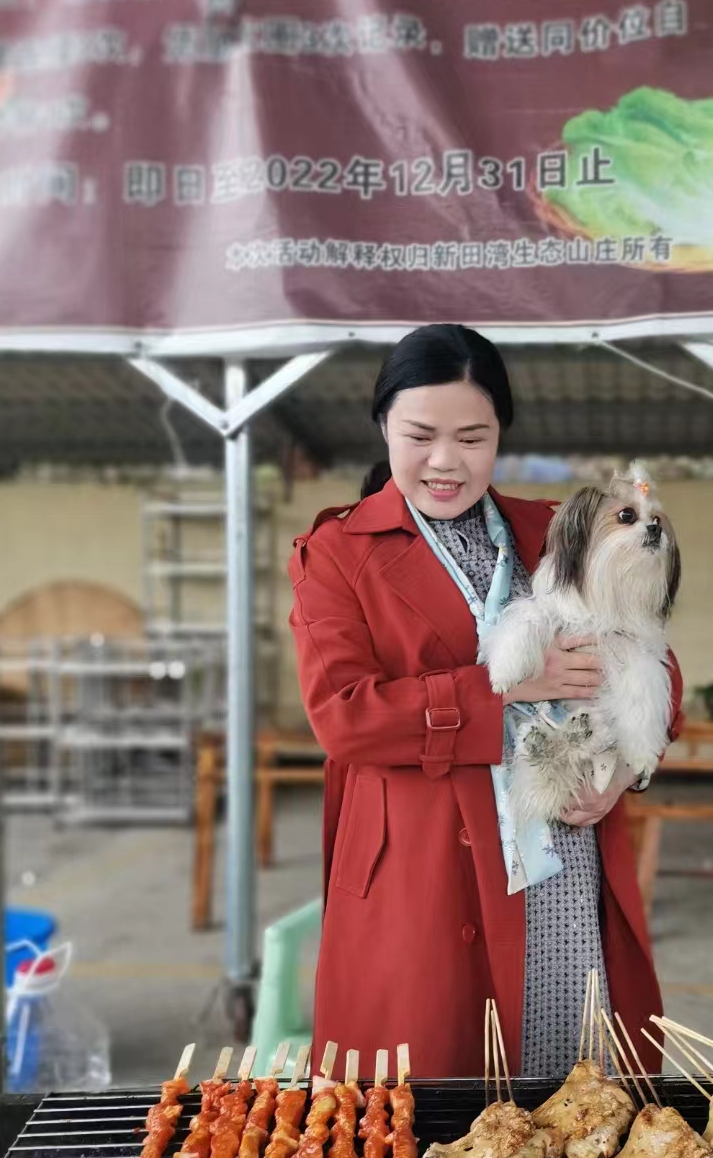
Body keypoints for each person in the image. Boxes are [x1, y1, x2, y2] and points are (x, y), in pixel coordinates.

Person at [289, 324, 683, 1077]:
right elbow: (345, 716)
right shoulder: (338, 553)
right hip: (422, 867)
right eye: (420, 435)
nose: (446, 461)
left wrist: (622, 775)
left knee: (578, 1092)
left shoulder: (552, 528)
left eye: (473, 436)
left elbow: (654, 653)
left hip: (563, 857)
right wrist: (504, 692)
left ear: (500, 432)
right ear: (383, 426)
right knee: (429, 1102)